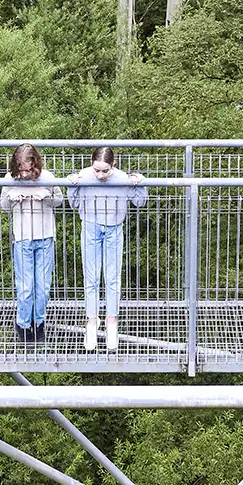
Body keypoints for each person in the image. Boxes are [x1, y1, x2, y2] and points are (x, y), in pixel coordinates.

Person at [67, 146, 146, 352]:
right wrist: (72, 183)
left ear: (114, 164)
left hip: (114, 229)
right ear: (91, 165)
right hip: (90, 228)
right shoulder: (84, 175)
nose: (100, 175)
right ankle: (92, 321)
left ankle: (112, 322)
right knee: (91, 278)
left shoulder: (121, 178)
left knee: (112, 278)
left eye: (105, 171)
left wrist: (140, 181)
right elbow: (73, 203)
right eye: (97, 170)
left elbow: (140, 201)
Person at [0, 143, 63, 344]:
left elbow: (59, 200)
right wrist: (11, 198)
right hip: (23, 237)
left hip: (45, 236)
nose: (25, 175)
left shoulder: (48, 177)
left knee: (42, 286)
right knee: (25, 287)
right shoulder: (10, 178)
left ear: (36, 165)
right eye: (21, 170)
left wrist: (46, 196)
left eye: (28, 170)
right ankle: (23, 323)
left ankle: (39, 322)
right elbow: (3, 206)